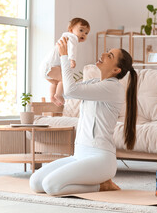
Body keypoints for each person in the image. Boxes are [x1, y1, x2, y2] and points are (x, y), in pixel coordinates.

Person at [30, 37, 138, 196]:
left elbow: (72, 90)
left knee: (51, 186)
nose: (103, 54)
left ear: (116, 70)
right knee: (35, 183)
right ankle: (98, 183)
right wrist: (57, 67)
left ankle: (102, 186)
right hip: (79, 155)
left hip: (100, 159)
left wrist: (65, 57)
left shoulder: (113, 88)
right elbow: (68, 90)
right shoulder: (94, 83)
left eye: (110, 56)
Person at [40, 17, 90, 106]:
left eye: (86, 33)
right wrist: (72, 60)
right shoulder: (72, 37)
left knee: (56, 82)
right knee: (64, 79)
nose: (83, 34)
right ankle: (58, 95)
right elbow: (72, 50)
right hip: (51, 67)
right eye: (81, 30)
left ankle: (52, 96)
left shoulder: (65, 37)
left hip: (45, 68)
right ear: (71, 30)